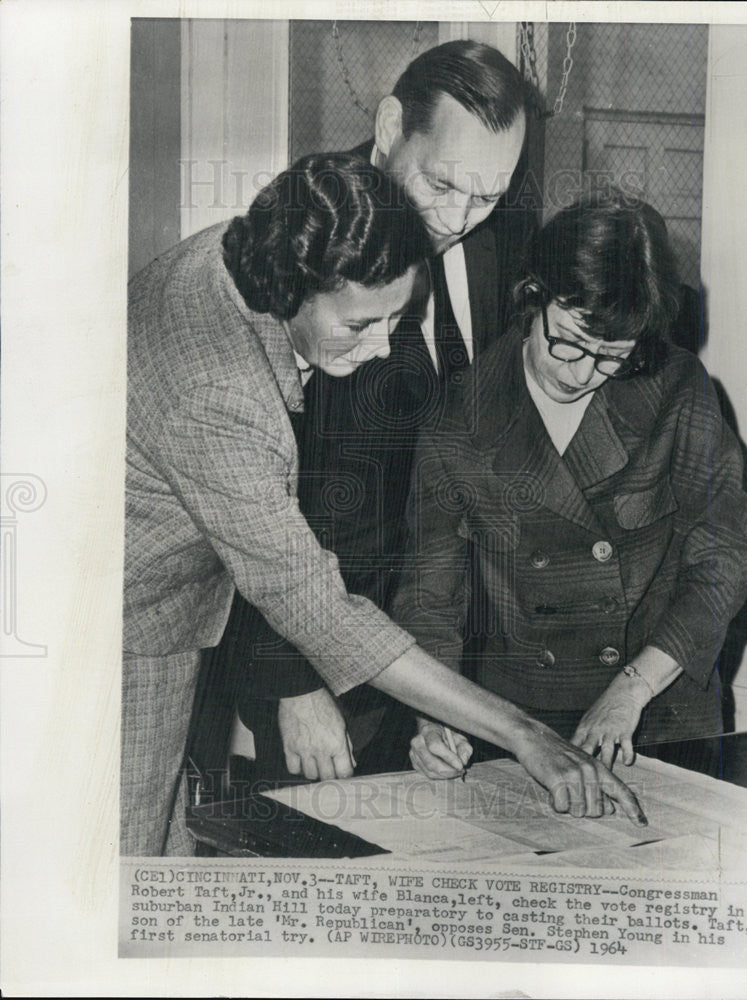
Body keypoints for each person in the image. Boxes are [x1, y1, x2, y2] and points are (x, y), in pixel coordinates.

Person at [124, 154, 645, 856]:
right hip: (116, 628)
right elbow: (321, 612)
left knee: (158, 858)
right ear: (292, 288)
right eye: (360, 325)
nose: (379, 349)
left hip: (158, 606)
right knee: (117, 869)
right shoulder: (222, 397)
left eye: (397, 318)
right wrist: (527, 735)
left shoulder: (243, 248)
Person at [199, 39, 535, 784]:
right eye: (442, 184)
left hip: (436, 649)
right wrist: (290, 683)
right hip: (304, 653)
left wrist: (444, 685)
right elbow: (244, 499)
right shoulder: (303, 234)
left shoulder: (498, 238)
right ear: (389, 130)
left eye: (487, 196)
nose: (459, 218)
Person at [390, 191, 747, 780]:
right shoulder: (458, 419)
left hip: (660, 710)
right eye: (566, 342)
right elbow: (430, 600)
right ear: (532, 296)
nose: (582, 374)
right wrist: (435, 719)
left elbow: (726, 558)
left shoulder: (677, 389)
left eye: (611, 356)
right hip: (518, 722)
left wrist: (631, 690)